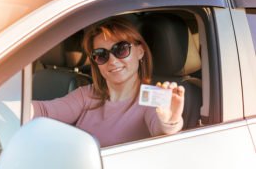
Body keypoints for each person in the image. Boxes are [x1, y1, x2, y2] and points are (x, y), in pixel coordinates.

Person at [32, 17, 185, 147]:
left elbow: (161, 129)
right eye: (101, 55)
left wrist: (169, 122)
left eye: (121, 49)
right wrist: (10, 108)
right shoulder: (87, 95)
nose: (112, 60)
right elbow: (43, 111)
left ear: (140, 51)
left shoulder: (153, 97)